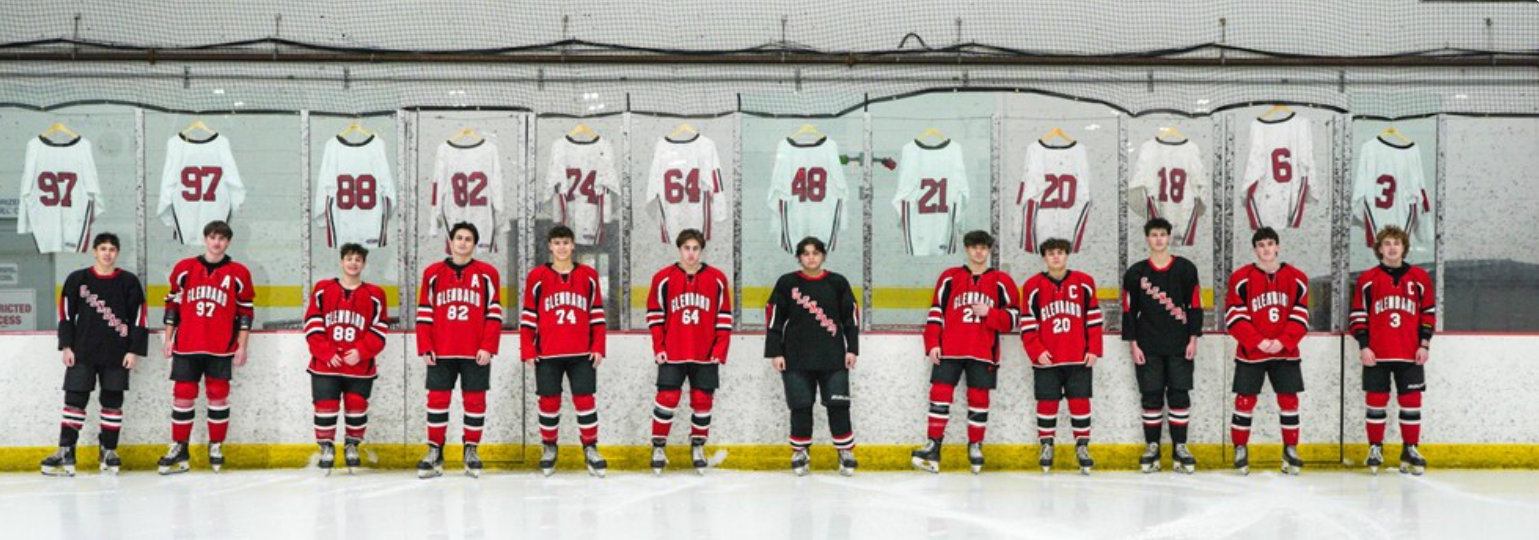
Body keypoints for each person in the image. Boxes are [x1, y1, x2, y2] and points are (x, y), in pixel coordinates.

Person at [910, 230, 1020, 474]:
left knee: (979, 398)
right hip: (950, 349)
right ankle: (933, 445)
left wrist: (990, 313)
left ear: (989, 251)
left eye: (983, 248)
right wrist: (932, 343)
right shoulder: (950, 277)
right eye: (974, 247)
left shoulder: (1002, 281)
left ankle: (975, 445)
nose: (978, 252)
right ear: (967, 249)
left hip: (983, 350)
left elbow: (1014, 318)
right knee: (939, 394)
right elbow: (936, 311)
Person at [41, 233, 147, 476]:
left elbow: (139, 318)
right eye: (103, 248)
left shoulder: (128, 281)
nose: (107, 253)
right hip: (83, 352)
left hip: (117, 354)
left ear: (117, 253)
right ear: (94, 251)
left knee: (112, 403)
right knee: (74, 401)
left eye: (112, 249)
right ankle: (66, 450)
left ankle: (108, 450)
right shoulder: (77, 279)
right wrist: (66, 346)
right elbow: (66, 315)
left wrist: (133, 350)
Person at [159, 220, 254, 474]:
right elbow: (172, 305)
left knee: (218, 395)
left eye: (222, 238)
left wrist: (242, 346)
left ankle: (216, 445)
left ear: (228, 242)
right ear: (205, 239)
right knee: (183, 394)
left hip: (221, 347)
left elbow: (246, 312)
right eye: (212, 237)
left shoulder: (239, 273)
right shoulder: (185, 268)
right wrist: (168, 338)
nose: (216, 242)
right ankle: (179, 446)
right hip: (187, 345)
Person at [765, 236, 860, 476]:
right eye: (806, 254)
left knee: (838, 405)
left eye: (815, 253)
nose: (811, 258)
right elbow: (774, 319)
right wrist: (775, 352)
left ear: (823, 256)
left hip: (833, 357)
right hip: (796, 357)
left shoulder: (838, 282)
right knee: (800, 406)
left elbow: (850, 319)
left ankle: (845, 451)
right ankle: (800, 451)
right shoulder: (787, 283)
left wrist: (852, 348)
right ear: (799, 257)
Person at [415, 222, 502, 478]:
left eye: (468, 239)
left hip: (475, 352)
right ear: (450, 242)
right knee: (437, 401)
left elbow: (494, 314)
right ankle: (435, 450)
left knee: (475, 402)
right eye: (459, 238)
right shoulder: (433, 273)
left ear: (474, 244)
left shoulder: (487, 274)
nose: (463, 242)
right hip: (441, 351)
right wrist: (425, 346)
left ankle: (471, 449)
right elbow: (424, 312)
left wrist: (488, 346)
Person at [522, 225, 609, 477]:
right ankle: (549, 447)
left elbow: (597, 315)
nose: (561, 247)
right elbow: (529, 317)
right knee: (548, 403)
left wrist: (598, 346)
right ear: (550, 246)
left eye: (566, 243)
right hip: (547, 353)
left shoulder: (588, 275)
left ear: (573, 245)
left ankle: (590, 448)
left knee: (585, 401)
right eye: (557, 243)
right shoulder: (537, 276)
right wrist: (528, 348)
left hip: (581, 353)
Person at [645, 229, 733, 475]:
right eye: (686, 248)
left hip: (705, 353)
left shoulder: (717, 279)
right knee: (667, 399)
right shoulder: (663, 278)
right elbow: (655, 317)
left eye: (695, 248)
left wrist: (720, 349)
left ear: (701, 250)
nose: (691, 253)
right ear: (679, 249)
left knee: (703, 401)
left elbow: (724, 318)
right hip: (673, 352)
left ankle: (698, 446)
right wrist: (659, 347)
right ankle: (658, 447)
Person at [1224, 227, 1310, 475]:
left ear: (1278, 246)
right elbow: (1233, 315)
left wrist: (1283, 340)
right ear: (1255, 249)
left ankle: (1290, 449)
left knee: (1289, 400)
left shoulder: (1297, 278)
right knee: (1244, 400)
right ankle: (1240, 448)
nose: (1266, 249)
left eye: (1270, 244)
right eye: (1261, 245)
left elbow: (1301, 314)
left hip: (1285, 352)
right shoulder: (1240, 278)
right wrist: (1256, 341)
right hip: (1251, 352)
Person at [1350, 225, 1435, 476]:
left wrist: (1424, 344)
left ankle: (1410, 448)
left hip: (1410, 353)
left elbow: (1428, 313)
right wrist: (1364, 345)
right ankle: (1375, 448)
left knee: (1411, 402)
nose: (1392, 248)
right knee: (1376, 401)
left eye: (1396, 243)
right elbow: (1358, 315)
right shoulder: (1368, 279)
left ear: (1404, 247)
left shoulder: (1419, 278)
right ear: (1379, 248)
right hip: (1377, 354)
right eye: (1387, 243)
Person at [1122, 218, 1203, 474]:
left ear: (1169, 238)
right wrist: (1133, 344)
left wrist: (1193, 338)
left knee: (1179, 395)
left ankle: (1180, 447)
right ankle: (1153, 447)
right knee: (1151, 397)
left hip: (1180, 344)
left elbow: (1195, 305)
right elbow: (1128, 310)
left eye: (1162, 234)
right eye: (1154, 234)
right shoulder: (1135, 273)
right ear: (1147, 238)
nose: (1158, 239)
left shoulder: (1186, 269)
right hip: (1148, 345)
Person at [303, 243, 390, 475]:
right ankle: (326, 447)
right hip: (326, 365)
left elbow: (380, 328)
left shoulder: (375, 294)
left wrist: (362, 351)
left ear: (364, 264)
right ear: (341, 262)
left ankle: (352, 445)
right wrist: (326, 352)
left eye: (358, 260)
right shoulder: (323, 289)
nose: (353, 263)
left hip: (359, 367)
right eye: (349, 258)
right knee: (325, 407)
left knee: (357, 406)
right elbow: (312, 323)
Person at [1020, 238, 1103, 474]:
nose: (1056, 257)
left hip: (1078, 357)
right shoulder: (1032, 286)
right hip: (1047, 359)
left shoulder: (1084, 283)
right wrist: (1036, 351)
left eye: (1060, 252)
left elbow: (1093, 319)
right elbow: (1027, 323)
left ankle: (1082, 446)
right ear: (1044, 258)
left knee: (1080, 401)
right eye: (1051, 253)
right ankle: (1046, 445)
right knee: (1047, 402)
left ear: (1067, 255)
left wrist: (1094, 348)